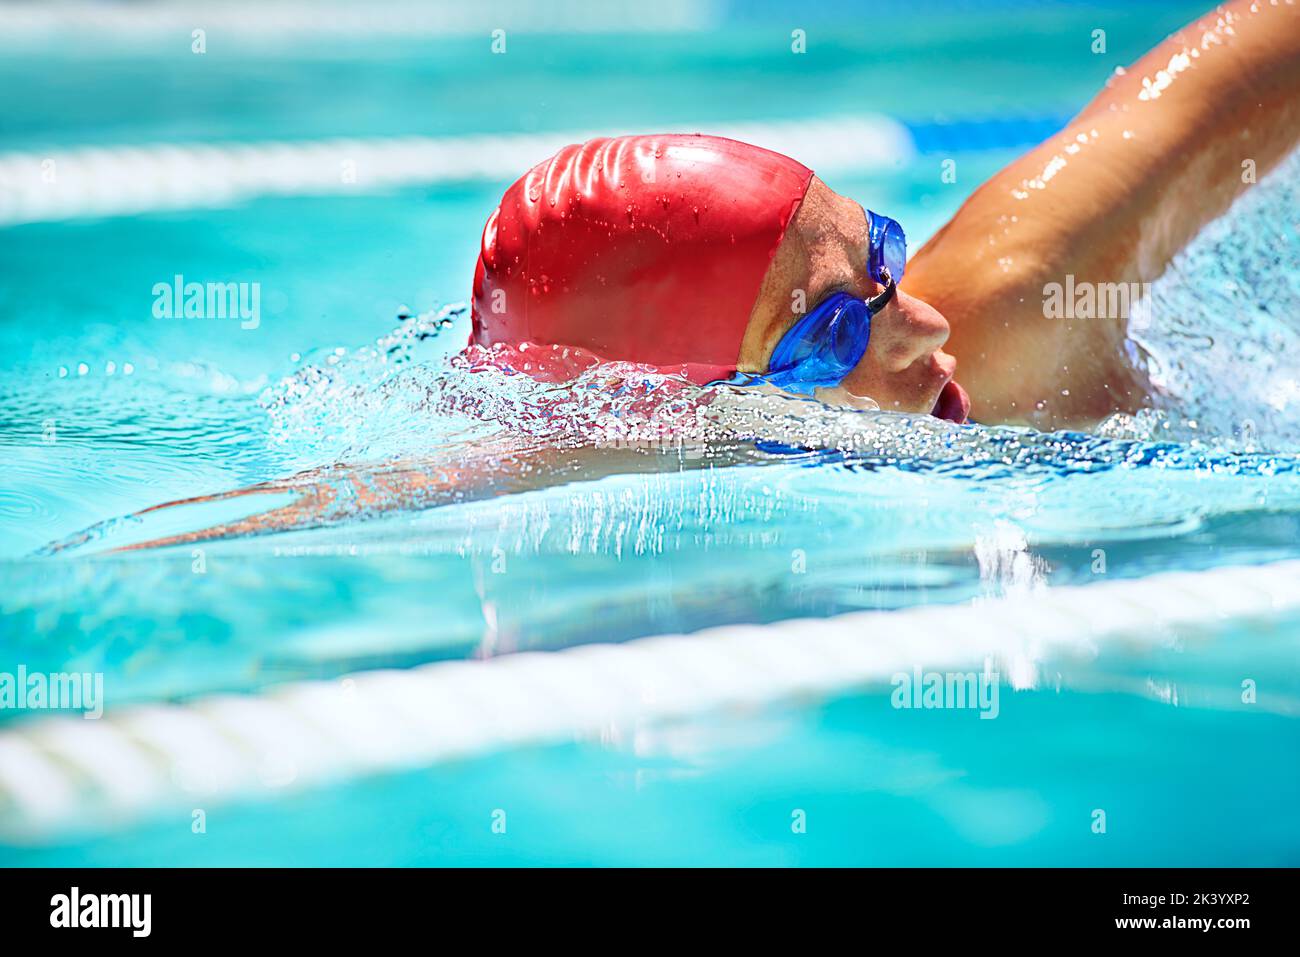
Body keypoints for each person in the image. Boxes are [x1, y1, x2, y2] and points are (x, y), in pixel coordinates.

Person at [55, 0, 1300, 552]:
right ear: (682, 402)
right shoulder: (644, 439)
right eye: (820, 339)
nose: (920, 325)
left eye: (876, 251)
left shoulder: (1021, 303)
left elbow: (1251, 59)